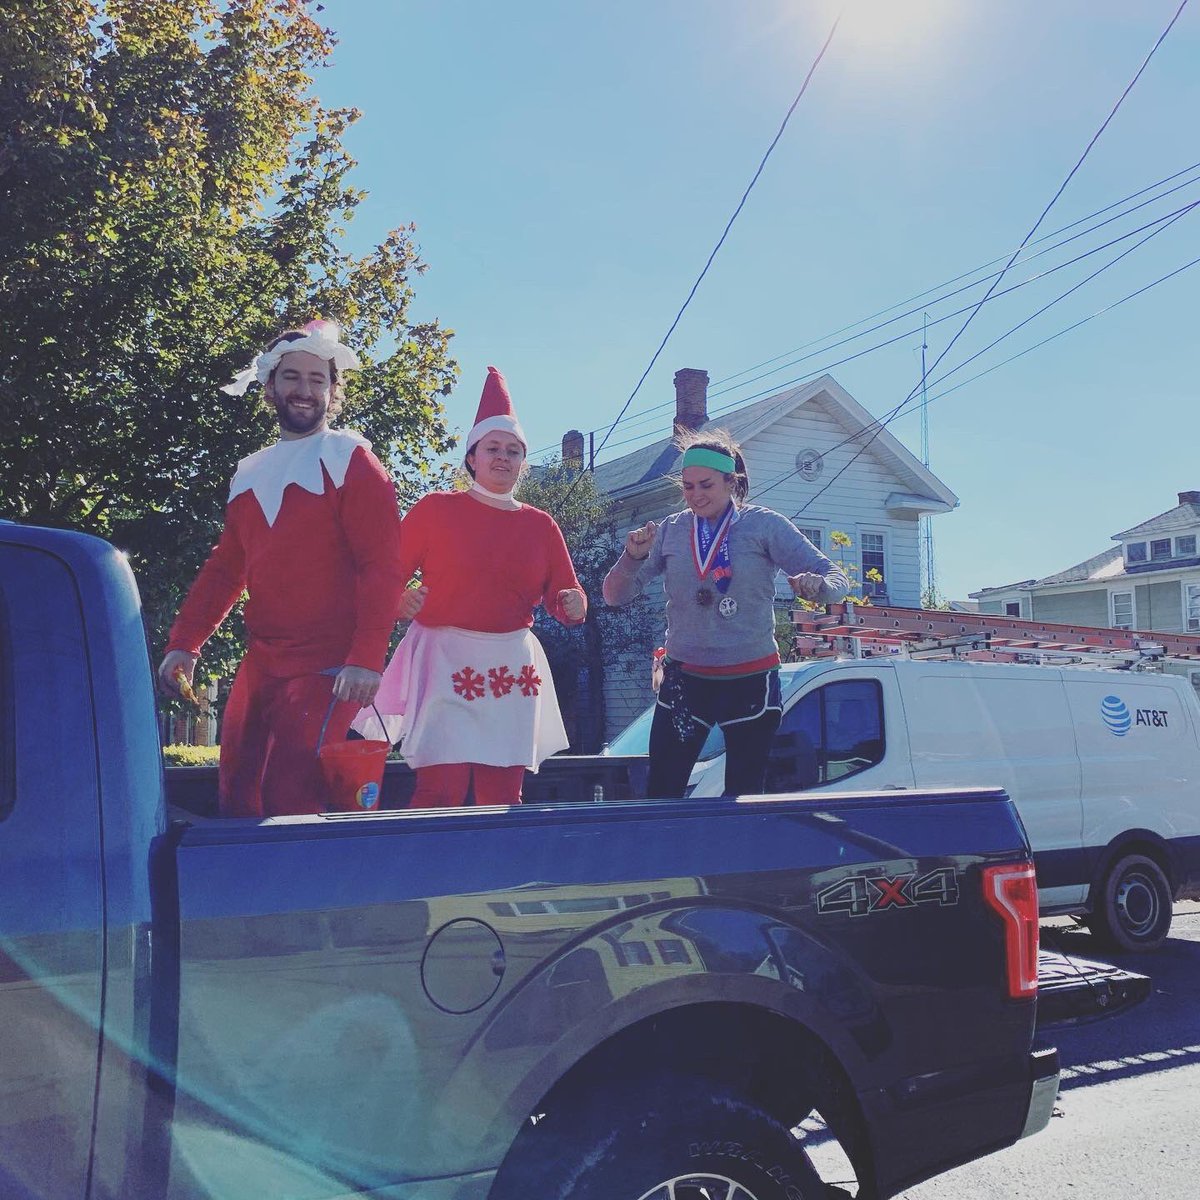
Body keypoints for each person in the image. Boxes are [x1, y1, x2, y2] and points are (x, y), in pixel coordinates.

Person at [158, 321, 404, 817]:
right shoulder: (249, 470)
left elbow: (381, 565)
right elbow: (227, 567)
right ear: (270, 386)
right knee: (237, 794)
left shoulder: (352, 458)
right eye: (292, 377)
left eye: (318, 379)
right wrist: (185, 642)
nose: (305, 390)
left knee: (292, 800)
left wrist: (366, 657)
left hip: (328, 666)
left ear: (333, 390)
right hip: (263, 661)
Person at [359, 366, 587, 807]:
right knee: (438, 788)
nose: (502, 457)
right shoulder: (434, 510)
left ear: (524, 460)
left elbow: (563, 596)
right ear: (472, 457)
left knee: (504, 793)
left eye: (513, 450)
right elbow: (384, 577)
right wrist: (397, 601)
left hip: (511, 664)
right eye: (492, 448)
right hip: (444, 659)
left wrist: (574, 605)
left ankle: (503, 874)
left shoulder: (541, 526)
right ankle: (425, 874)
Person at [603, 428, 849, 798]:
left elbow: (837, 579)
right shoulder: (670, 531)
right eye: (687, 487)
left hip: (749, 679)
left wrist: (818, 586)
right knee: (662, 793)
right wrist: (632, 557)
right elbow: (613, 596)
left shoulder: (763, 525)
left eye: (706, 485)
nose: (696, 496)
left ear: (731, 481)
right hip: (686, 680)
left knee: (744, 796)